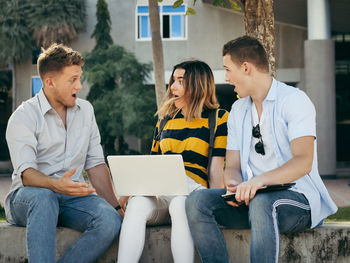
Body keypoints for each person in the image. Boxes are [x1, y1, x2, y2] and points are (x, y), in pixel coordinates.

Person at [186, 36, 338, 263]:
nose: (226, 78)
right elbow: (233, 165)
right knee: (197, 202)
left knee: (262, 202)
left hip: (299, 201)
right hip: (254, 201)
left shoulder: (294, 100)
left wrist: (258, 182)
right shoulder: (238, 109)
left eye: (228, 69)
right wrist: (236, 187)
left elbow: (303, 161)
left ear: (246, 68)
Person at [4, 43, 123, 263]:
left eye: (80, 78)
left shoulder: (85, 111)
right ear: (49, 82)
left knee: (110, 220)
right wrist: (56, 185)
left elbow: (95, 164)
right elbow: (27, 174)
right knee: (44, 197)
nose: (79, 85)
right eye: (72, 80)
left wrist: (116, 207)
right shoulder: (24, 116)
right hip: (28, 198)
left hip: (71, 198)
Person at [117, 60, 229, 263]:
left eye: (180, 81)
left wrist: (217, 207)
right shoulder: (165, 120)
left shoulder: (219, 118)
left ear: (197, 85)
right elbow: (153, 165)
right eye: (173, 81)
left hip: (193, 194)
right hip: (162, 192)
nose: (173, 87)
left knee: (179, 203)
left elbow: (215, 170)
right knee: (137, 205)